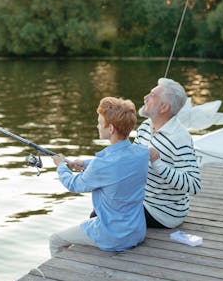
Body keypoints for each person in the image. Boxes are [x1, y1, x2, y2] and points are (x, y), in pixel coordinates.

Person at [49, 97, 149, 256]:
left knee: (55, 239)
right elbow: (118, 162)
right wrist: (86, 163)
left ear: (111, 129)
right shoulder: (143, 153)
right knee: (86, 224)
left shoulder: (102, 165)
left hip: (113, 236)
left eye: (99, 122)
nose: (97, 125)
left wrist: (61, 165)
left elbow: (74, 184)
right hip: (136, 231)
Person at [135, 78, 201, 229]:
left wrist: (157, 163)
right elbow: (131, 162)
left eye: (152, 95)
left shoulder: (179, 138)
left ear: (164, 107)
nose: (145, 97)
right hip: (141, 200)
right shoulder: (146, 126)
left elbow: (194, 185)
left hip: (163, 213)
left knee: (104, 216)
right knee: (100, 209)